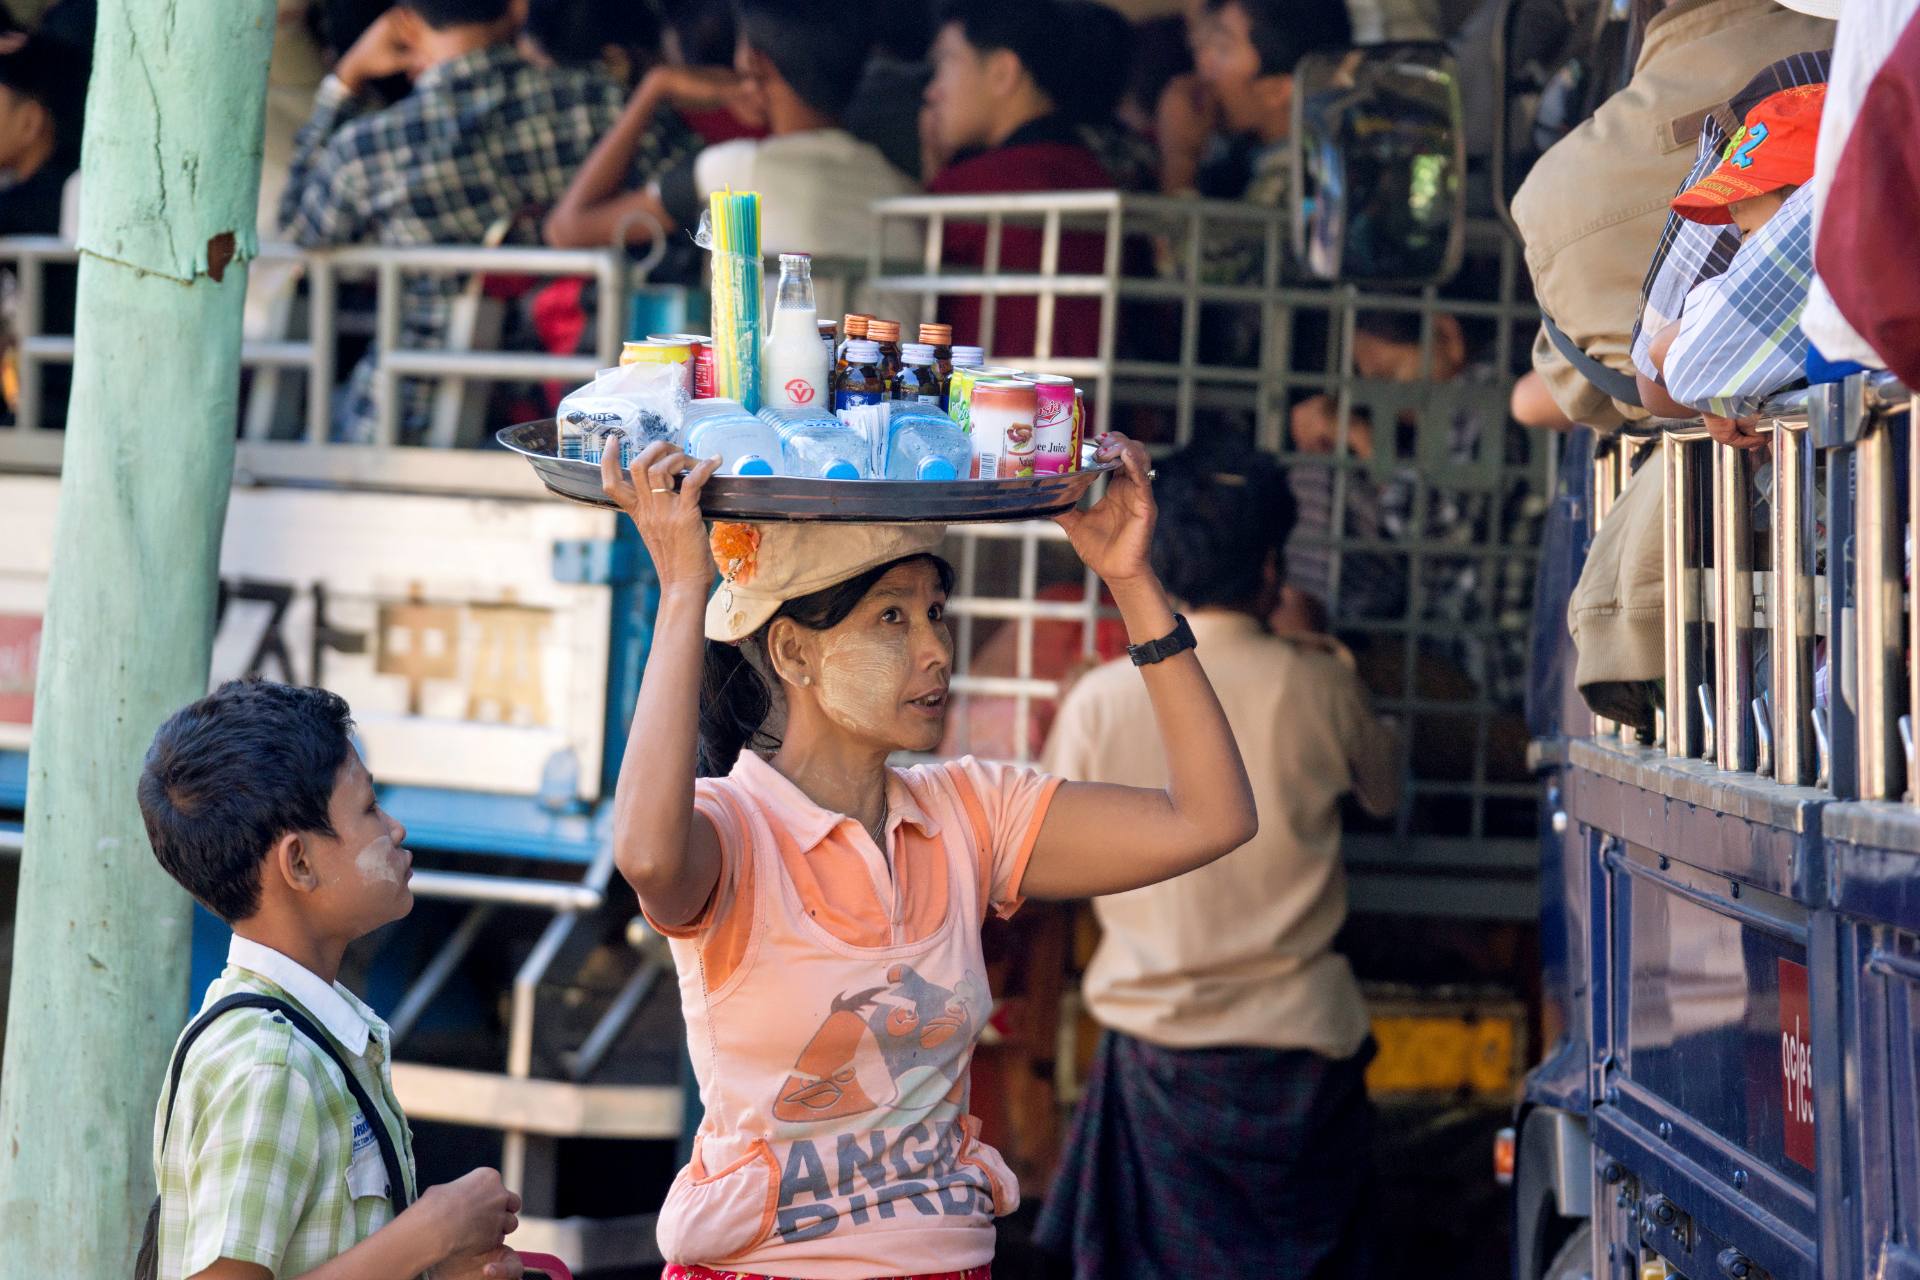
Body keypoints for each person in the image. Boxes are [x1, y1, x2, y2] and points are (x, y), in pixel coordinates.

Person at [596, 428, 1258, 1280]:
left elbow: (1213, 818)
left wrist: (1131, 582)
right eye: (892, 619)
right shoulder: (732, 827)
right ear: (794, 651)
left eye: (935, 613)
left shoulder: (970, 814)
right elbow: (648, 858)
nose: (937, 651)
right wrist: (685, 588)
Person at [1034, 445, 1398, 1280]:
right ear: (1272, 564)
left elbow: (1042, 849)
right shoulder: (1320, 684)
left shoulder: (1096, 700)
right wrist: (1327, 652)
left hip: (1156, 1063)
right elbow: (1384, 791)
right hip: (1301, 1054)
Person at [139, 680, 524, 1280]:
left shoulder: (316, 1035)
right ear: (298, 862)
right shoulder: (270, 1063)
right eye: (369, 808)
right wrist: (431, 1231)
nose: (394, 829)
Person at [279, 0, 694, 444]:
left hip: (406, 414)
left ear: (407, 23)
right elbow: (690, 201)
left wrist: (345, 81)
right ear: (518, 8)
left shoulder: (366, 147)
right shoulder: (605, 102)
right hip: (579, 415)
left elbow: (298, 233)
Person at [545, 0, 916, 262]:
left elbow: (566, 229)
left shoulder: (735, 173)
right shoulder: (901, 187)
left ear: (754, 60)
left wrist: (655, 87)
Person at [921, 0, 1115, 359]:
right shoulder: (1100, 179)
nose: (932, 91)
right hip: (1088, 411)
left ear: (1002, 73)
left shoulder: (968, 190)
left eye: (945, 65)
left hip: (990, 409)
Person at [1646, 85, 1827, 443]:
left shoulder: (1818, 230)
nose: (1741, 252)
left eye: (1745, 233)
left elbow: (1679, 358)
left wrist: (1717, 399)